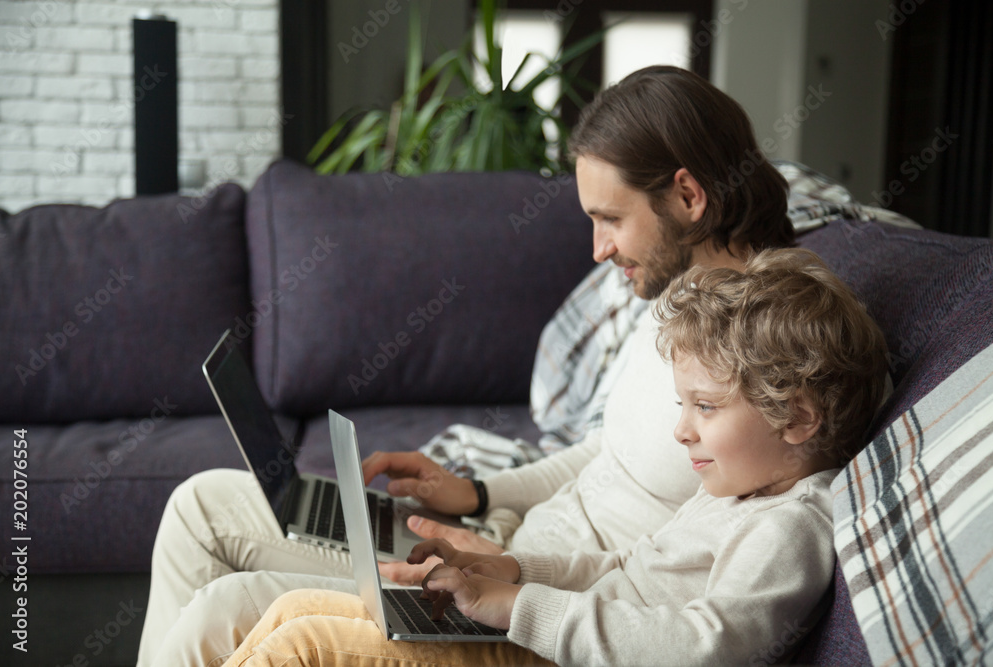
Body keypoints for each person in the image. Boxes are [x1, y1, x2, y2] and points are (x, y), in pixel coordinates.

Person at [137, 64, 795, 667]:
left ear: (688, 194)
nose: (598, 250)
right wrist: (479, 493)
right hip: (503, 540)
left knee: (228, 606)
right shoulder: (684, 293)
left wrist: (511, 569)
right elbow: (608, 452)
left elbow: (677, 587)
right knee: (199, 505)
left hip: (540, 588)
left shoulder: (774, 345)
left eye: (610, 218)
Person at [218, 247, 891, 666]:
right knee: (291, 613)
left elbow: (706, 645)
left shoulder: (788, 524)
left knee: (300, 648)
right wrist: (506, 569)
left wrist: (518, 606)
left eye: (705, 407)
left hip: (554, 652)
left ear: (798, 417)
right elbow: (623, 569)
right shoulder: (735, 489)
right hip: (546, 629)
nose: (681, 430)